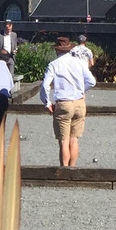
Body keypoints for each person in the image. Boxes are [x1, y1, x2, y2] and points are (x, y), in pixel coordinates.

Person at [41, 36, 96, 167]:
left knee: (64, 141)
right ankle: (73, 170)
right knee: (74, 139)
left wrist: (47, 102)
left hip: (64, 102)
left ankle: (64, 171)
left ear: (57, 50)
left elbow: (45, 85)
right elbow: (92, 82)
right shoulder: (80, 63)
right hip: (79, 102)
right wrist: (82, 90)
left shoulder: (54, 64)